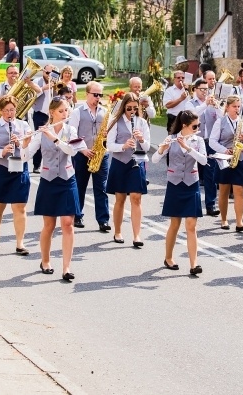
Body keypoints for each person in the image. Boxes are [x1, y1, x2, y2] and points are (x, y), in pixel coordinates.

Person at [24, 97, 86, 280]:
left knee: (68, 223)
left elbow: (71, 151)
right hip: (49, 179)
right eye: (61, 111)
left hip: (67, 179)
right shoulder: (42, 131)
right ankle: (45, 261)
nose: (65, 114)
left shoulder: (71, 130)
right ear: (52, 112)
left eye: (67, 110)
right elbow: (26, 156)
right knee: (49, 225)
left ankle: (66, 268)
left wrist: (55, 138)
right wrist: (25, 144)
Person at [153, 110, 207, 275]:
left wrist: (188, 148)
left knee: (191, 225)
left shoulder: (198, 140)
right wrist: (162, 148)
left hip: (191, 183)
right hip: (175, 184)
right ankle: (168, 257)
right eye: (194, 126)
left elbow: (204, 161)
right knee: (174, 224)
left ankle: (194, 264)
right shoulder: (172, 138)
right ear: (185, 126)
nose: (197, 129)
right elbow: (154, 159)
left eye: (198, 126)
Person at [0, 96, 32, 252]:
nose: (9, 113)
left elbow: (28, 152)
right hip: (0, 168)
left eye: (12, 110)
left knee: (20, 207)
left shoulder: (23, 125)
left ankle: (20, 243)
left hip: (18, 168)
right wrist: (1, 151)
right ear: (0, 111)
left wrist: (21, 144)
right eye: (6, 110)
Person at [106, 92, 150, 247]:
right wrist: (123, 146)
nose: (131, 111)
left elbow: (147, 146)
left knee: (136, 198)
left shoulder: (142, 123)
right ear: (124, 107)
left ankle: (137, 235)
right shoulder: (115, 121)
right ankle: (117, 231)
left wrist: (141, 139)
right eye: (128, 108)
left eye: (134, 108)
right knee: (120, 199)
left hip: (136, 162)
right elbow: (109, 145)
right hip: (120, 162)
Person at [70, 81, 111, 232]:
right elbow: (72, 133)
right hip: (83, 154)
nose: (98, 97)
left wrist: (108, 136)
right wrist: (83, 150)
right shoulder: (77, 112)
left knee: (101, 188)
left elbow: (112, 134)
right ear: (87, 94)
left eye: (100, 95)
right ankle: (77, 215)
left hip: (101, 154)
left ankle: (103, 220)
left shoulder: (106, 112)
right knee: (80, 186)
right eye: (95, 95)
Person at [209, 95, 243, 231]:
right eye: (234, 106)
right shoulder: (220, 122)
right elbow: (212, 141)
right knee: (224, 191)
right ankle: (224, 219)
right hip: (224, 159)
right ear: (227, 107)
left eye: (239, 107)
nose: (237, 109)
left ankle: (239, 222)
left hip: (240, 158)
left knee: (240, 191)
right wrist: (224, 150)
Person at [187, 78, 220, 216]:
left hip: (209, 142)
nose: (205, 92)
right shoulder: (190, 103)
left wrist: (217, 107)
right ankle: (189, 202)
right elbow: (192, 116)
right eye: (202, 89)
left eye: (207, 89)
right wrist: (205, 105)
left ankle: (210, 204)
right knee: (190, 172)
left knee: (210, 174)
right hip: (193, 141)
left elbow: (222, 118)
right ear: (195, 90)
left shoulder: (212, 103)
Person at [31, 64, 56, 173]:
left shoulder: (56, 81)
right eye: (47, 73)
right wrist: (44, 88)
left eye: (52, 73)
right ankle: (36, 164)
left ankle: (52, 164)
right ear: (43, 72)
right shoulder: (37, 81)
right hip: (40, 114)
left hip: (53, 115)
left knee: (54, 139)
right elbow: (33, 95)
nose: (49, 75)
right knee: (40, 139)